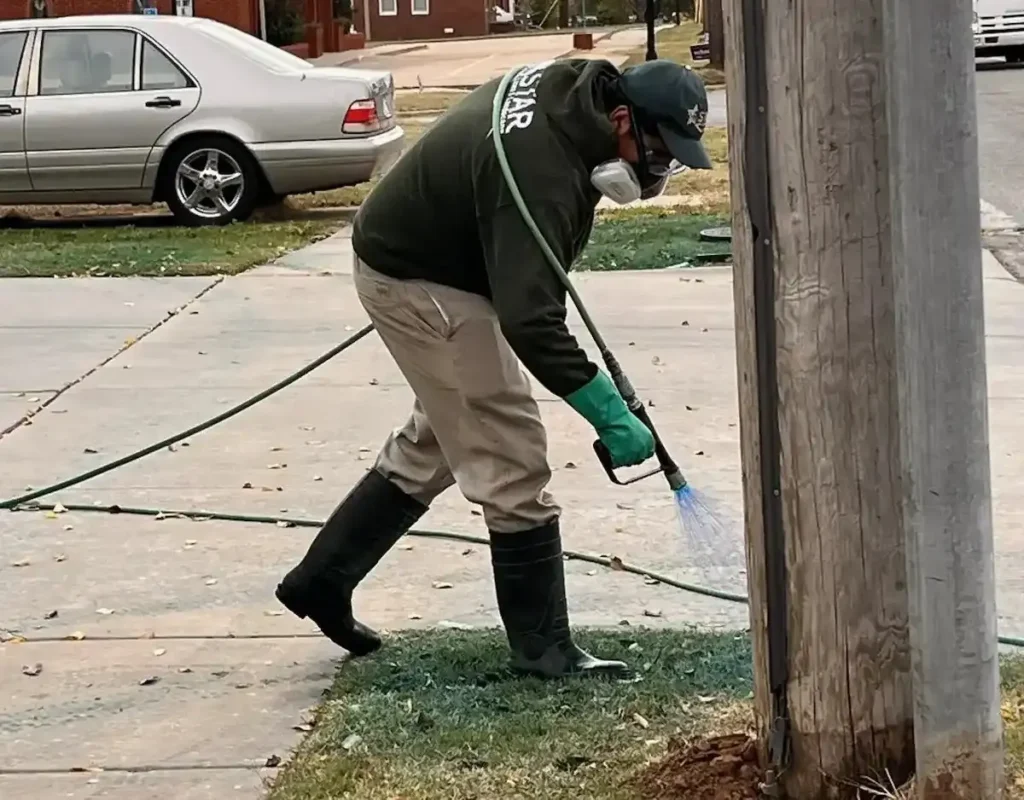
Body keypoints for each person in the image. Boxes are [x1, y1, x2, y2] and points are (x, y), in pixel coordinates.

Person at [276, 58, 713, 679]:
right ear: (622, 119)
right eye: (659, 154)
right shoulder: (544, 173)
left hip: (438, 263)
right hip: (417, 279)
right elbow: (531, 321)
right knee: (509, 448)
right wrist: (609, 412)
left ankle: (320, 581)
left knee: (443, 437)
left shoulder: (575, 94)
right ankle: (543, 650)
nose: (659, 171)